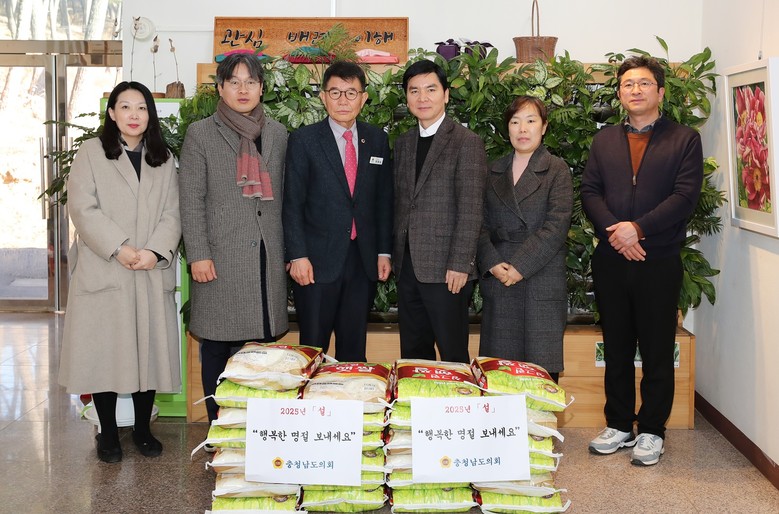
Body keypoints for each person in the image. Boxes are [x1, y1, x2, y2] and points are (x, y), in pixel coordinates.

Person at [581, 56, 703, 466]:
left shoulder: (684, 139)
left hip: (658, 258)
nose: (635, 90)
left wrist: (639, 229)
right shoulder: (604, 140)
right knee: (615, 347)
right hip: (612, 258)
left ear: (660, 92)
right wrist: (618, 233)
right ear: (619, 93)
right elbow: (590, 192)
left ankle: (652, 430)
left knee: (656, 349)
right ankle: (618, 423)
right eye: (628, 84)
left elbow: (684, 196)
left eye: (644, 83)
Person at [58, 81, 181, 463]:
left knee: (148, 351)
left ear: (150, 115)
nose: (133, 115)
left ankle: (143, 430)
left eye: (141, 107)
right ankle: (108, 434)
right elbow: (82, 207)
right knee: (106, 353)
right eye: (125, 107)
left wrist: (154, 252)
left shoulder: (163, 157)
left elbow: (173, 212)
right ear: (111, 113)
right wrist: (119, 247)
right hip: (106, 266)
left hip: (149, 268)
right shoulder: (92, 153)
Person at [179, 53, 289, 425]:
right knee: (216, 344)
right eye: (234, 82)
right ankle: (219, 425)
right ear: (220, 88)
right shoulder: (201, 133)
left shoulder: (277, 133)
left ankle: (255, 430)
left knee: (260, 349)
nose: (243, 89)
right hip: (220, 258)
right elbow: (190, 199)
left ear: (262, 88)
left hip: (265, 257)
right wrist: (198, 253)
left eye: (251, 82)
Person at [283, 61, 393, 361]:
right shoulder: (304, 140)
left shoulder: (377, 140)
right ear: (323, 97)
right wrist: (297, 256)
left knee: (354, 351)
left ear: (363, 98)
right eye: (335, 92)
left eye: (351, 92)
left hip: (362, 261)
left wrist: (384, 252)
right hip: (315, 263)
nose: (343, 100)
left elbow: (384, 200)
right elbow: (292, 202)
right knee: (312, 351)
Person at [392, 60, 487, 363]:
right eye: (414, 91)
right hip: (408, 268)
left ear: (446, 94)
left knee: (453, 354)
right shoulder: (404, 143)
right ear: (407, 97)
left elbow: (471, 209)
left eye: (431, 89)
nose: (422, 98)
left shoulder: (466, 142)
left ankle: (458, 397)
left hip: (448, 270)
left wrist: (460, 264)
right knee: (413, 355)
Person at [476, 96, 573, 382]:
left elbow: (556, 226)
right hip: (500, 276)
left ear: (544, 127)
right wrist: (492, 263)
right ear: (507, 128)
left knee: (539, 373)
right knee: (500, 375)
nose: (522, 129)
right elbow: (477, 224)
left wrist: (520, 266)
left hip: (540, 277)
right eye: (515, 122)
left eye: (531, 121)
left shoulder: (557, 169)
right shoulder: (493, 170)